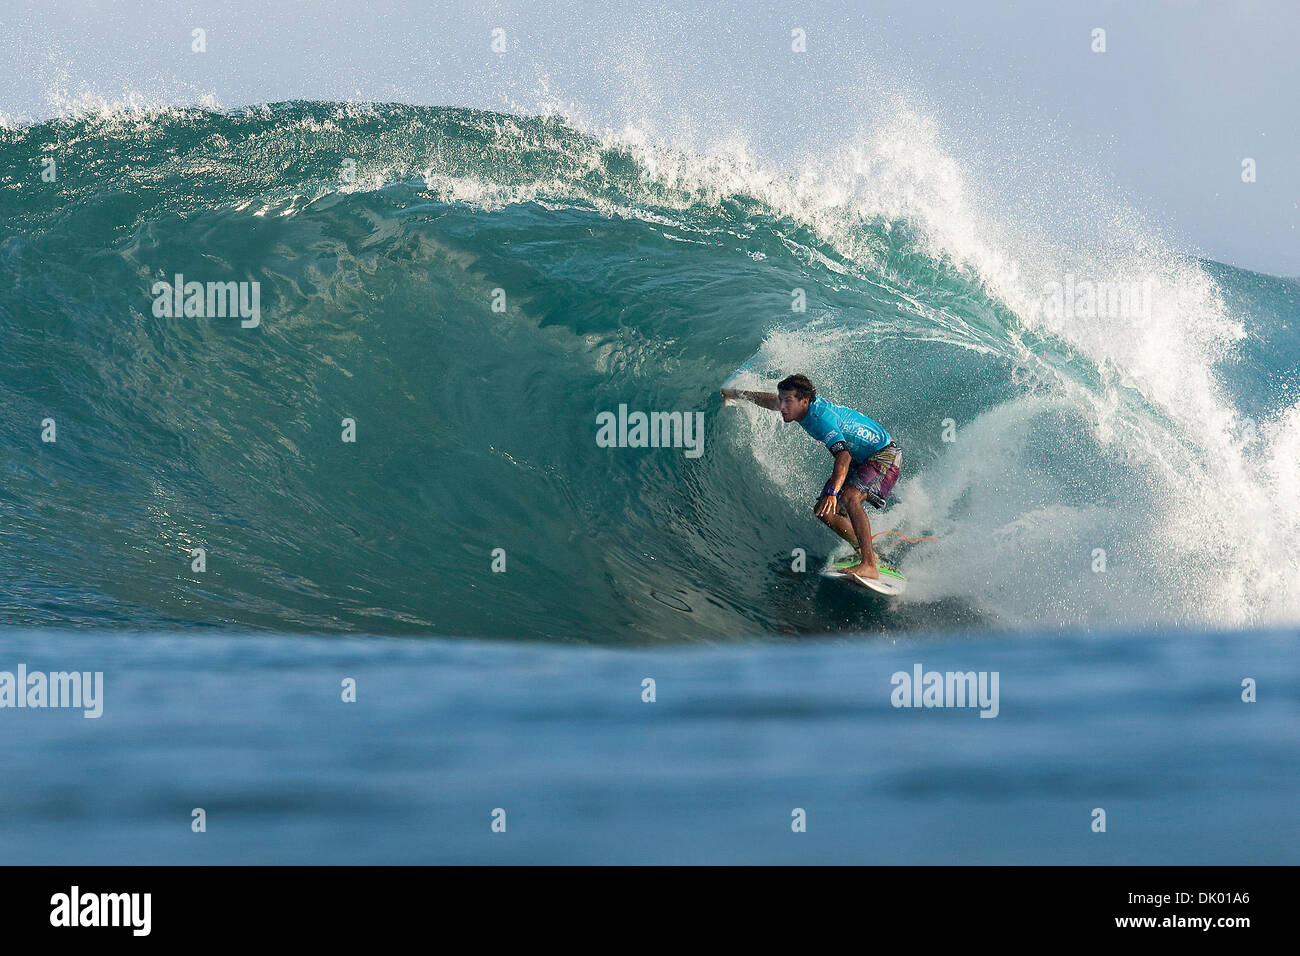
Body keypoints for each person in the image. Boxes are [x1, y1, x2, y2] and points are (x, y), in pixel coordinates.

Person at [720, 374, 901, 579]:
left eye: (788, 401)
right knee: (824, 511)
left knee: (850, 498)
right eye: (782, 400)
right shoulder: (800, 407)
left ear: (804, 401)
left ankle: (869, 565)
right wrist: (734, 394)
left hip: (883, 454)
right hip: (862, 458)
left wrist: (833, 492)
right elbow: (771, 400)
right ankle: (867, 553)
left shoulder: (821, 420)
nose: (783, 406)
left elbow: (843, 457)